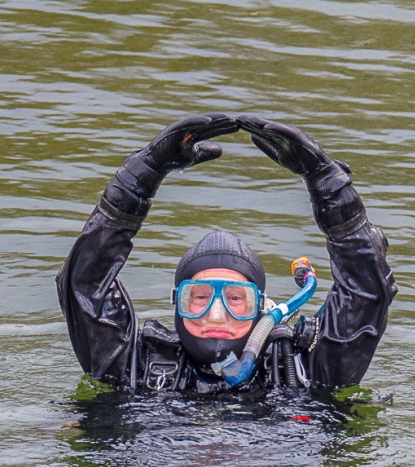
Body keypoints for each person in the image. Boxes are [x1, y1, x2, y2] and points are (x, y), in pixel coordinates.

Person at [57, 113, 395, 394]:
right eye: (199, 297)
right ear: (177, 302)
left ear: (260, 307)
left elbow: (365, 294)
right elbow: (84, 285)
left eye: (236, 300)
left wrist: (330, 188)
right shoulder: (135, 369)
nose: (215, 316)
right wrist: (137, 180)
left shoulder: (299, 369)